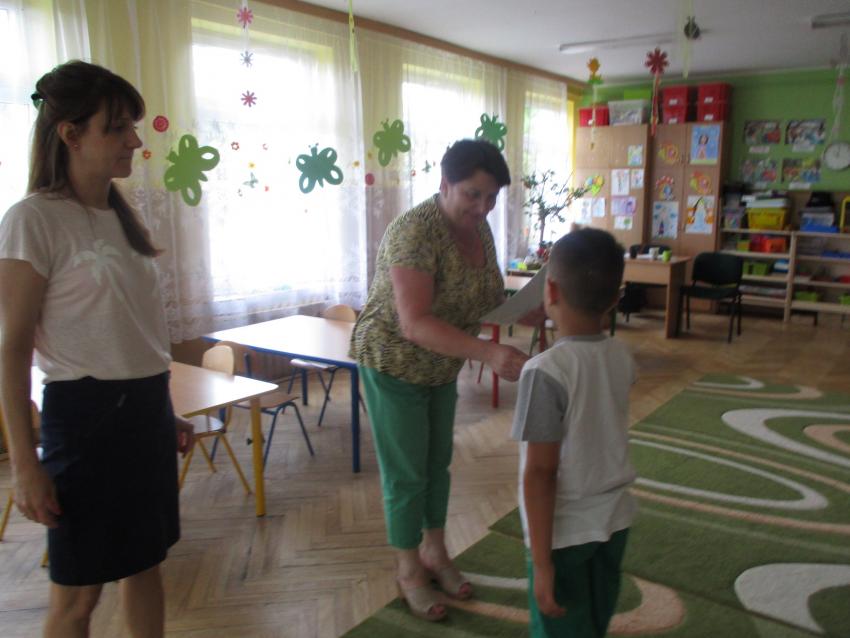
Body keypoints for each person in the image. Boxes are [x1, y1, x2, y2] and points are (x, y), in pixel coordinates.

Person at [0, 60, 193, 638]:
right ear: (71, 134)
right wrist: (25, 463)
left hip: (145, 413)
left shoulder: (120, 217)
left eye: (132, 126)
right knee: (77, 598)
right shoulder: (33, 220)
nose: (134, 140)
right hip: (84, 423)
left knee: (145, 565)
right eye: (117, 128)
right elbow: (11, 349)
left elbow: (130, 332)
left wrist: (163, 412)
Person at [350, 139, 528, 621]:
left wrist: (534, 304)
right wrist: (489, 352)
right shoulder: (414, 232)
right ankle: (408, 567)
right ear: (444, 184)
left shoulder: (478, 227)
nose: (483, 207)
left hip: (440, 364)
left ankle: (435, 550)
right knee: (407, 473)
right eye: (472, 194)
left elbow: (485, 294)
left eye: (491, 197)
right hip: (394, 361)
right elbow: (414, 324)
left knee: (437, 464)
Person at [511, 228, 637, 637]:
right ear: (616, 298)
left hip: (563, 535)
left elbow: (540, 472)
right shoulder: (621, 355)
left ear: (549, 290)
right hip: (615, 520)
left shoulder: (543, 372)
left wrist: (542, 564)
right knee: (593, 623)